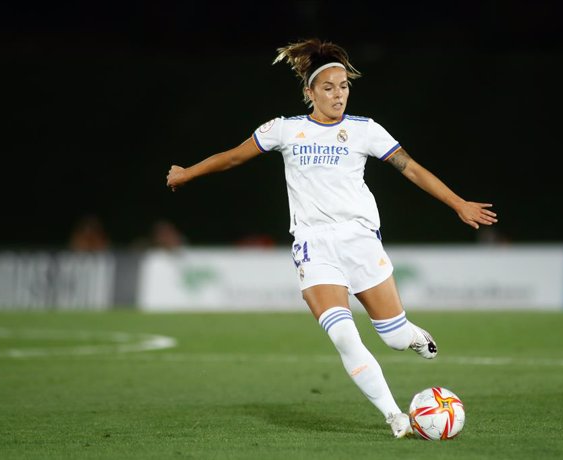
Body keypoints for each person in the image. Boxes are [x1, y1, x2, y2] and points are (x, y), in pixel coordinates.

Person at [166, 38, 498, 438]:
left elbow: (411, 169)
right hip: (313, 244)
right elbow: (235, 156)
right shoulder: (285, 129)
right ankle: (395, 415)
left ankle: (412, 334)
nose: (338, 94)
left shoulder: (365, 130)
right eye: (328, 87)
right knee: (343, 334)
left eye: (343, 86)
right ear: (309, 92)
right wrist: (188, 172)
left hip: (360, 241)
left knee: (392, 337)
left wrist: (458, 203)